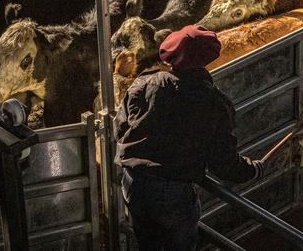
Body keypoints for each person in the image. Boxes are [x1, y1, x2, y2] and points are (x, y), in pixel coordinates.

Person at [113, 25, 268, 250]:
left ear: (169, 55)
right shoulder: (215, 103)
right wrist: (253, 170)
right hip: (172, 191)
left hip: (134, 182)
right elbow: (223, 162)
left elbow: (120, 128)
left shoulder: (144, 82)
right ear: (208, 58)